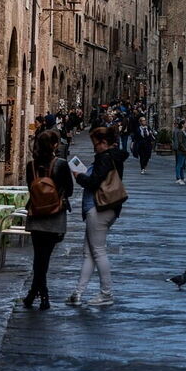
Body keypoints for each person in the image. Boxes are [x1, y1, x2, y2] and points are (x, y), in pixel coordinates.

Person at [66, 126, 128, 307]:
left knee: (98, 251)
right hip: (106, 207)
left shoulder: (105, 158)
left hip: (99, 207)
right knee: (89, 252)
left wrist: (78, 176)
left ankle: (106, 293)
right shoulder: (113, 157)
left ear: (104, 143)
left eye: (95, 144)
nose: (94, 148)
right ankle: (78, 293)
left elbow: (94, 182)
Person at [24, 129, 74, 311]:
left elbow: (30, 188)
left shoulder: (30, 166)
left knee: (39, 257)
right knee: (44, 258)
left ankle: (33, 294)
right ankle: (43, 295)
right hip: (55, 216)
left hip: (36, 215)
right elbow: (69, 190)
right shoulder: (61, 164)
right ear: (54, 145)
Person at [172, 119, 186, 184]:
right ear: (182, 125)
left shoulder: (184, 131)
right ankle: (178, 178)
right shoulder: (179, 132)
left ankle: (182, 177)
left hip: (184, 149)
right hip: (181, 150)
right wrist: (184, 150)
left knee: (182, 165)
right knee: (179, 164)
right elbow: (180, 142)